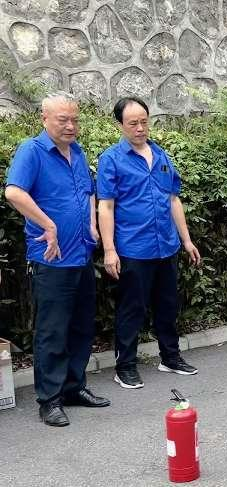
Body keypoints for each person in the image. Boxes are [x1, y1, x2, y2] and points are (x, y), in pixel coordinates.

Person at [4, 91, 110, 426]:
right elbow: (13, 192)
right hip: (51, 259)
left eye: (74, 119)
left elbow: (88, 190)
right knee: (52, 332)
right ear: (45, 118)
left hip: (80, 254)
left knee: (81, 326)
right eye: (63, 119)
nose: (70, 126)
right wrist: (48, 224)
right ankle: (49, 399)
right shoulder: (32, 151)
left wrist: (91, 223)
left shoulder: (77, 152)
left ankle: (73, 388)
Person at [97, 97, 202, 389]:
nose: (140, 128)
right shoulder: (111, 159)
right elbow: (106, 206)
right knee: (132, 309)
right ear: (120, 125)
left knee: (168, 305)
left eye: (144, 121)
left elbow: (173, 200)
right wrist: (109, 250)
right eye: (133, 123)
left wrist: (186, 240)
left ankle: (170, 357)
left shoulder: (161, 155)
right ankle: (125, 367)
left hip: (166, 245)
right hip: (133, 248)